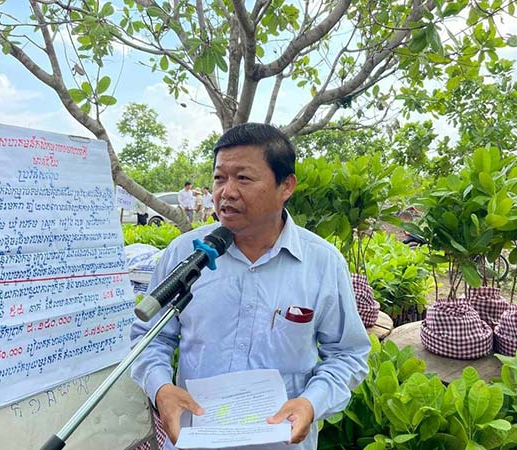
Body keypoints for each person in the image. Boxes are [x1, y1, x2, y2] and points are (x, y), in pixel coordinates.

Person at [130, 123, 370, 450]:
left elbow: (347, 354)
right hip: (195, 441)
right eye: (219, 178)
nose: (226, 192)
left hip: (282, 443)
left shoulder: (323, 263)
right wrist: (160, 388)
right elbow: (149, 339)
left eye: (243, 178)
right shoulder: (185, 254)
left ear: (286, 186)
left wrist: (312, 402)